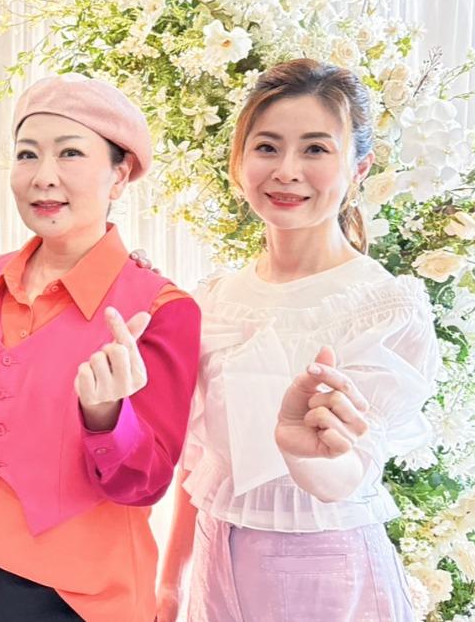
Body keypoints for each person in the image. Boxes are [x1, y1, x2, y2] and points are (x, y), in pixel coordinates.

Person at [155, 59, 438, 622]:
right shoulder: (214, 299)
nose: (287, 171)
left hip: (327, 571)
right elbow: (201, 463)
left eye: (315, 149)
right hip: (216, 561)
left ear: (359, 168)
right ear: (238, 162)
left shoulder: (381, 307)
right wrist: (170, 583)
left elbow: (350, 475)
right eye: (267, 147)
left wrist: (305, 451)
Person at [0, 74, 202, 621]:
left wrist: (107, 417)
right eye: (27, 154)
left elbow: (148, 484)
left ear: (120, 174)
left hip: (86, 602)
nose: (44, 176)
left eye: (70, 153)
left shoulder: (161, 307)